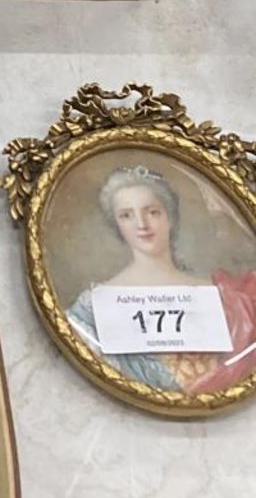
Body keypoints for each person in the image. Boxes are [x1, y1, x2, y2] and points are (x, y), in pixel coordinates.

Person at [65, 165, 255, 394]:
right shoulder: (92, 308)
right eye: (126, 215)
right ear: (117, 225)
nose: (142, 224)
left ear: (170, 217)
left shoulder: (224, 295)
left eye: (153, 212)